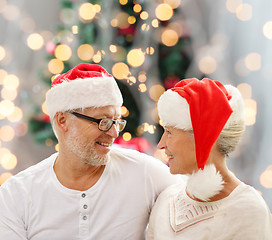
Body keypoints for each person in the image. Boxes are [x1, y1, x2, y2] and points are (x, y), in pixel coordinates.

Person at [0, 63, 183, 240]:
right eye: (103, 122)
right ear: (63, 121)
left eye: (116, 121)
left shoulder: (146, 174)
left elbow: (198, 208)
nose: (113, 133)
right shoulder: (17, 195)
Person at [146, 78, 272, 239]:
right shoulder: (166, 200)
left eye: (169, 132)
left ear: (203, 138)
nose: (161, 144)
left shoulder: (248, 210)